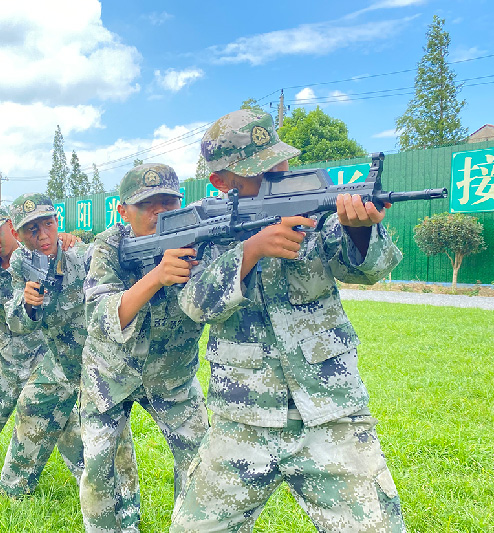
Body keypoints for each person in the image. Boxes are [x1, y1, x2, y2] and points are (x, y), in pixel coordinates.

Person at [170, 109, 406, 532]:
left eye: (277, 160)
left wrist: (359, 230)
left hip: (331, 412)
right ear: (220, 181)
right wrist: (249, 252)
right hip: (240, 418)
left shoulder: (315, 209)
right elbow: (193, 304)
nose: (278, 172)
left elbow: (368, 269)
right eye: (257, 169)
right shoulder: (206, 225)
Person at [0, 193, 140, 530]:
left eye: (47, 224)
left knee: (114, 442)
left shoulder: (85, 255)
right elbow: (15, 321)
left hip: (100, 363)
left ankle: (126, 516)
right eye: (31, 229)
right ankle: (12, 489)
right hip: (60, 359)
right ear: (17, 235)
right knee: (33, 410)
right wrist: (28, 305)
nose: (43, 235)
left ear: (57, 222)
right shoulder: (20, 264)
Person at [80, 164, 210, 533]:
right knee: (100, 465)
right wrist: (156, 276)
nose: (159, 213)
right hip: (109, 374)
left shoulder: (199, 236)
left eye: (168, 203)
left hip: (173, 377)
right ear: (122, 211)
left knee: (199, 460)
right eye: (147, 205)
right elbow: (100, 316)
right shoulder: (107, 245)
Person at [0, 205, 77, 468]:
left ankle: (88, 472)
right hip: (5, 350)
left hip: (43, 350)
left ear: (11, 226)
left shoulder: (34, 254)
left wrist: (66, 241)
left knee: (65, 419)